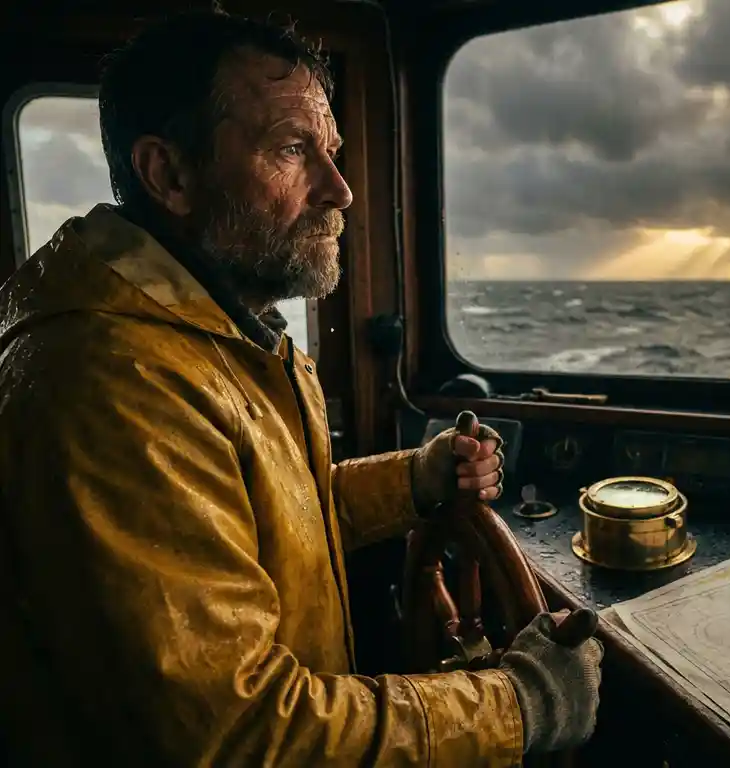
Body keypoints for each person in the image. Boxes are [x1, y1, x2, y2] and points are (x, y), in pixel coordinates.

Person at [0, 9, 601, 766]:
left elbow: (273, 527)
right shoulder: (117, 384)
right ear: (171, 175)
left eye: (333, 152)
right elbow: (237, 729)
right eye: (293, 150)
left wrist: (413, 479)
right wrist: (521, 704)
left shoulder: (221, 329)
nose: (342, 190)